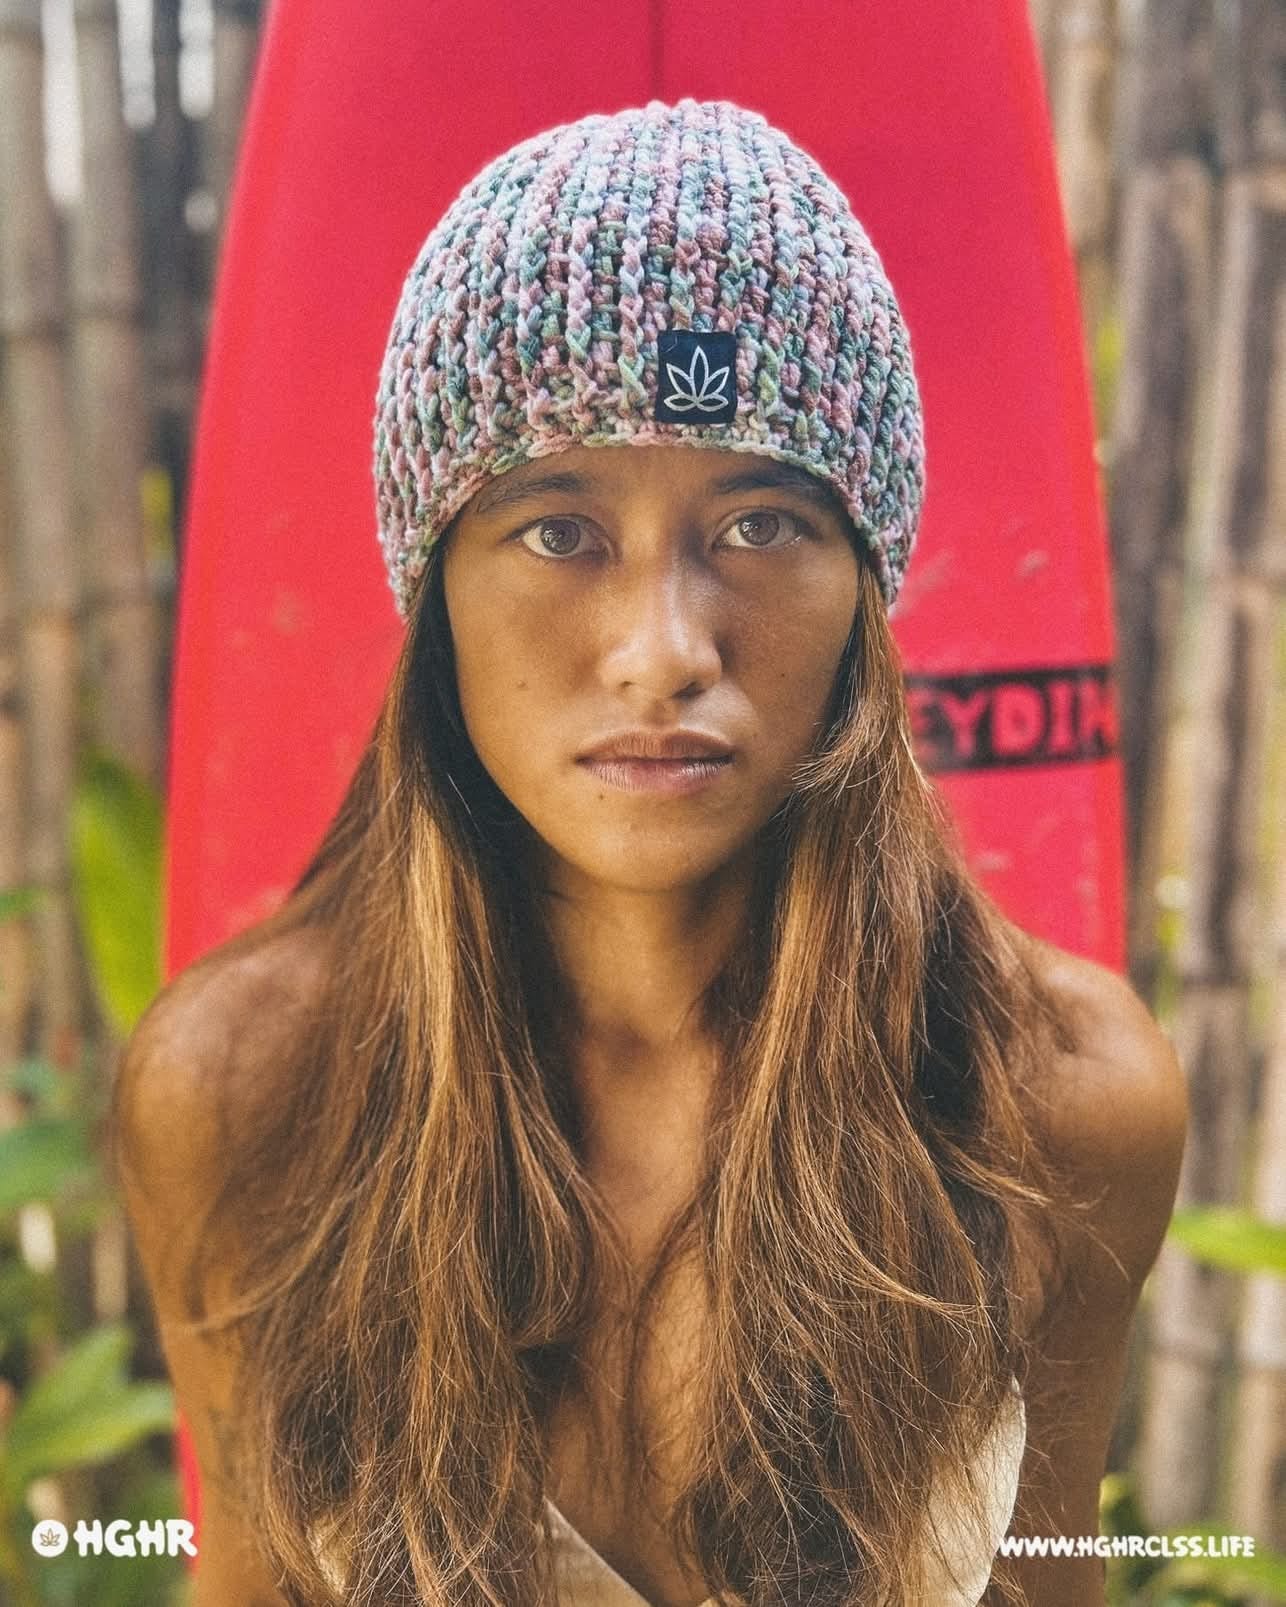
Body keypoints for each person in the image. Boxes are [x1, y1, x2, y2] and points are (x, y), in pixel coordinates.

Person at [112, 97, 1188, 1607]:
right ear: (438, 591)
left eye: (757, 524)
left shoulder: (1059, 1102)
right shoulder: (246, 1093)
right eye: (557, 531)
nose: (662, 652)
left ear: (863, 584)